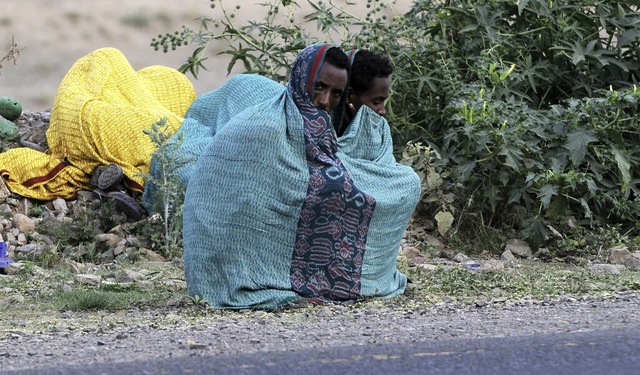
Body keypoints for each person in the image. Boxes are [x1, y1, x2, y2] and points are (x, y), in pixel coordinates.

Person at [182, 43, 421, 309]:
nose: (324, 100)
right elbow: (240, 201)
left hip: (270, 251)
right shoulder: (264, 126)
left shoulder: (322, 131)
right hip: (228, 260)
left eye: (335, 93)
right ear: (300, 78)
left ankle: (343, 281)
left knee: (402, 184)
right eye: (319, 87)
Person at [0, 47, 196, 220]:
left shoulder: (142, 91)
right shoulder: (169, 97)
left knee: (108, 56)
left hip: (75, 120)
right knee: (110, 57)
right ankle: (121, 180)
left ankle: (114, 178)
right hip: (88, 124)